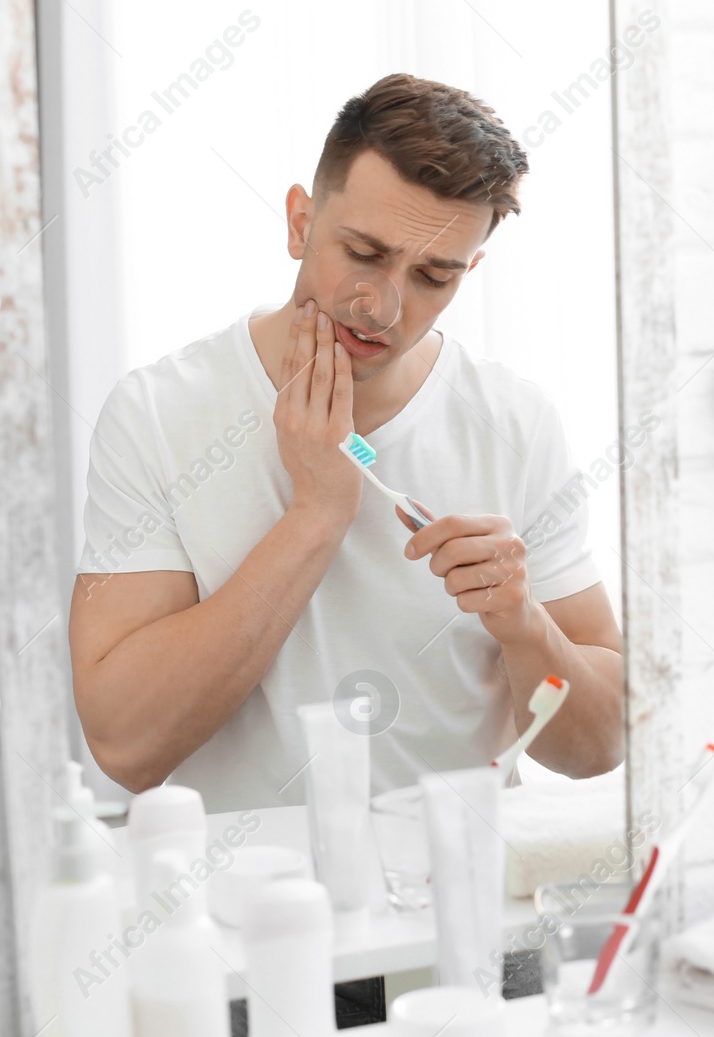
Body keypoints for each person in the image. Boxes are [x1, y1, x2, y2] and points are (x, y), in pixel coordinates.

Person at [68, 74, 624, 812]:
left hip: (462, 901)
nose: (382, 305)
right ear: (300, 221)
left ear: (470, 271)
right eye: (363, 252)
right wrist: (317, 514)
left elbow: (601, 745)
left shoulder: (514, 423)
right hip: (251, 910)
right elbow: (125, 747)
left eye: (433, 275)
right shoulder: (159, 413)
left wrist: (526, 628)